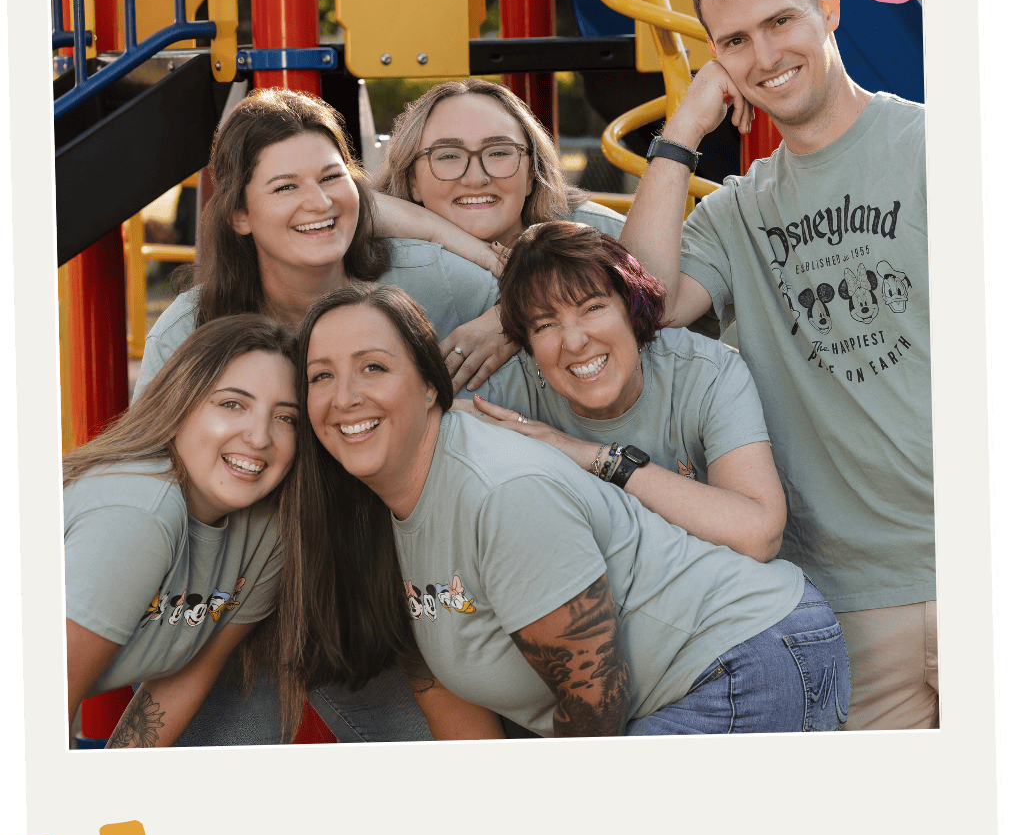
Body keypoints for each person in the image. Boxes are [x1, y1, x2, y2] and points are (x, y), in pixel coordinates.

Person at [275, 284, 850, 741]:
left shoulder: (499, 490)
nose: (344, 396)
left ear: (431, 385)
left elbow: (595, 697)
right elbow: (439, 679)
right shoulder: (370, 502)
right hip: (663, 692)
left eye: (373, 367)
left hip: (748, 659)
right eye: (321, 376)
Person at [618, 0, 935, 731]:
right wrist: (684, 129)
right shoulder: (737, 214)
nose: (763, 56)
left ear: (827, 10)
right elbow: (637, 303)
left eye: (781, 22)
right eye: (735, 41)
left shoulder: (936, 148)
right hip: (853, 596)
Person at [133, 88, 505, 400]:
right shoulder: (187, 329)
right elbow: (142, 463)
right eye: (285, 187)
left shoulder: (426, 275)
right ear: (240, 215)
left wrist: (507, 320)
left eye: (330, 177)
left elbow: (550, 300)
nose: (320, 203)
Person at [464, 221, 785, 564]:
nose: (574, 342)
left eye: (592, 308)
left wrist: (592, 456)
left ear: (631, 307)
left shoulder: (707, 372)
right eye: (545, 325)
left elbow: (759, 535)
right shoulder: (509, 388)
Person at [377, 77, 722, 395]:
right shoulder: (397, 263)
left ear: (531, 174)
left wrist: (516, 317)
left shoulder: (596, 233)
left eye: (498, 152)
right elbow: (342, 201)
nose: (476, 177)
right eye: (448, 156)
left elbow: (656, 303)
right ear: (411, 180)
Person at [64, 315, 299, 747]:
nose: (260, 436)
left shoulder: (268, 530)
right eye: (233, 404)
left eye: (285, 418)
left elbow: (188, 676)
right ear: (180, 403)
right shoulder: (140, 513)